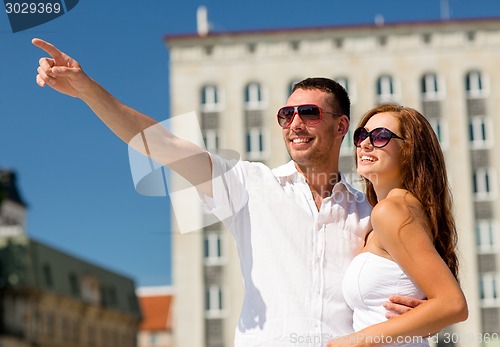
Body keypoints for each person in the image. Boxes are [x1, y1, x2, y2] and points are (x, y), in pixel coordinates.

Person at [32, 38, 422, 346]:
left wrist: (418, 308)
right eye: (287, 115)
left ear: (340, 128)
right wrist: (87, 90)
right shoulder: (250, 184)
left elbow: (420, 287)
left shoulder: (370, 211)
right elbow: (159, 143)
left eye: (309, 113)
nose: (294, 123)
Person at [327, 104, 468, 347]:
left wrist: (352, 342)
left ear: (409, 151)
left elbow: (453, 304)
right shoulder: (398, 209)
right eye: (361, 135)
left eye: (380, 136)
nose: (365, 144)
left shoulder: (391, 211)